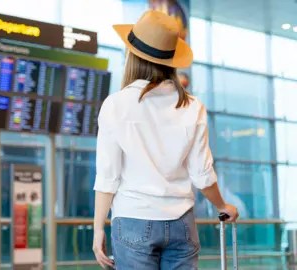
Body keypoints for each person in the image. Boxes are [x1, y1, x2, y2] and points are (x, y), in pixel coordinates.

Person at [92, 10, 239, 269]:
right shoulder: (192, 106)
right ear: (171, 60)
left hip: (132, 219)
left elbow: (108, 176)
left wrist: (97, 230)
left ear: (132, 55)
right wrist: (223, 205)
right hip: (181, 222)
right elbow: (202, 173)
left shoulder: (116, 105)